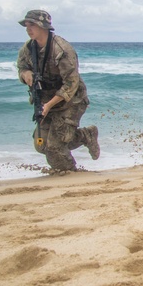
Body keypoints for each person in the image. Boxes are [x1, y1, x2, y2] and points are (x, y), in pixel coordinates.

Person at [16, 10, 100, 172]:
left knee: (55, 147)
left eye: (32, 24)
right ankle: (84, 136)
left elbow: (71, 84)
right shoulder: (28, 49)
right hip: (45, 101)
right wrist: (26, 74)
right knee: (41, 145)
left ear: (44, 26)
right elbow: (22, 67)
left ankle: (67, 174)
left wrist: (49, 105)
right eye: (26, 25)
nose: (28, 28)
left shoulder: (62, 50)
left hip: (71, 101)